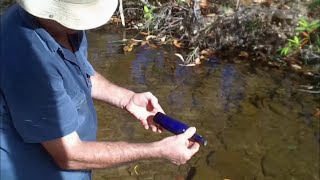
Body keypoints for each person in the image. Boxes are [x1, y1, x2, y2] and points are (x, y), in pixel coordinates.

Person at [0, 0, 200, 179]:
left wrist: (126, 98)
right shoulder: (29, 60)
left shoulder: (63, 27)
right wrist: (157, 150)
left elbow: (79, 73)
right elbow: (69, 156)